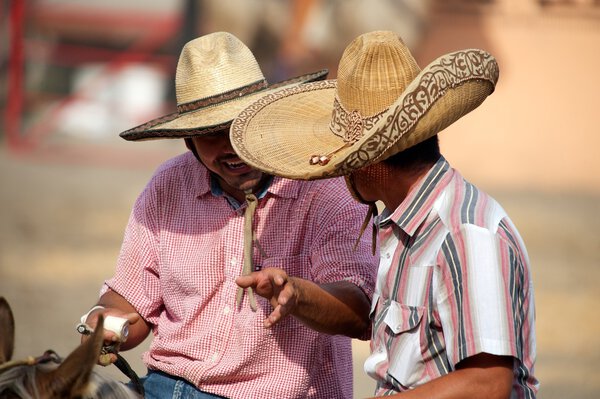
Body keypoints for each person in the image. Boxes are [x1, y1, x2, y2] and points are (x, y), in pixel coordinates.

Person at [230, 30, 538, 398]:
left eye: (343, 159)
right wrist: (297, 293)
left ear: (372, 162)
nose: (339, 173)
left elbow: (487, 384)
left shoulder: (465, 234)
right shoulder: (407, 226)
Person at [78, 31, 378, 399]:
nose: (230, 145)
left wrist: (297, 295)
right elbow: (132, 302)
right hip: (164, 386)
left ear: (267, 119)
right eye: (210, 134)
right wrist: (105, 324)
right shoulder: (168, 186)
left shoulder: (323, 189)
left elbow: (360, 311)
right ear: (189, 141)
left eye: (240, 125)